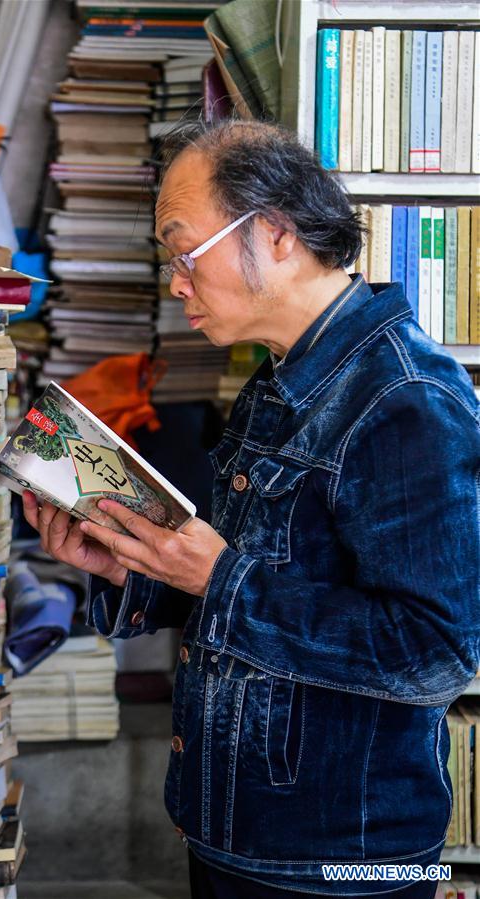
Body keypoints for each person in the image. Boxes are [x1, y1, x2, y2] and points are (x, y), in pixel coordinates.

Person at [23, 120, 480, 898]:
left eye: (183, 250)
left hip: (341, 863)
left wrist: (223, 578)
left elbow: (434, 653)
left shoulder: (405, 400)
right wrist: (129, 567)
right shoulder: (279, 382)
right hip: (237, 835)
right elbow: (247, 579)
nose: (176, 280)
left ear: (274, 233)